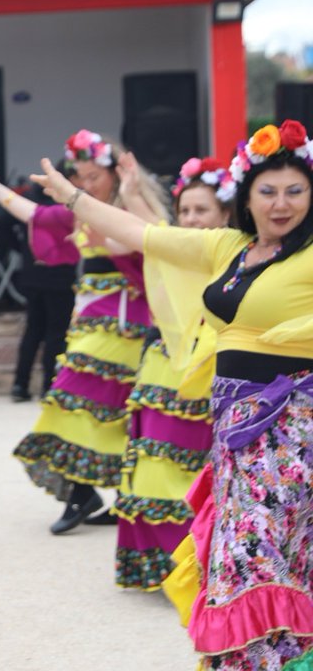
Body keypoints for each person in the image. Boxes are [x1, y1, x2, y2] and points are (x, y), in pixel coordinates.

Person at [31, 120, 313, 669]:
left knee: (257, 550)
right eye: (268, 191)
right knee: (246, 551)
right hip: (234, 432)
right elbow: (145, 235)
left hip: (291, 431)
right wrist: (73, 197)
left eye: (295, 191)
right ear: (247, 198)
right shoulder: (229, 247)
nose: (281, 204)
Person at [0, 129, 170, 534]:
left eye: (94, 176)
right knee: (111, 410)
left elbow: (152, 239)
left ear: (114, 173)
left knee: (72, 397)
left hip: (126, 322)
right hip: (93, 319)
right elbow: (36, 214)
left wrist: (107, 236)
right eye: (81, 177)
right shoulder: (82, 209)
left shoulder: (128, 207)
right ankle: (108, 494)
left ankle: (85, 492)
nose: (87, 184)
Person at [112, 157, 230, 591]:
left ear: (225, 214)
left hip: (209, 368)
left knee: (196, 471)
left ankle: (198, 569)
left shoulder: (234, 252)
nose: (192, 219)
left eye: (202, 210)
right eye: (186, 211)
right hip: (164, 367)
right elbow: (153, 232)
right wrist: (129, 193)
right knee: (155, 468)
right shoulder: (178, 248)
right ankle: (162, 569)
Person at [5, 163, 79, 402]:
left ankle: (20, 385)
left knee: (33, 330)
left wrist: (23, 250)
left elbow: (3, 225)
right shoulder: (69, 205)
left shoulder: (30, 199)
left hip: (32, 273)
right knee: (56, 333)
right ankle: (50, 386)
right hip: (59, 276)